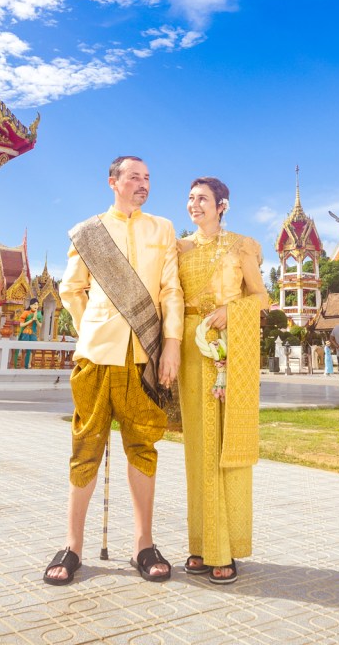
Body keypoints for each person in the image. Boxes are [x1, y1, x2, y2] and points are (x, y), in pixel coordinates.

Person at [45, 156, 184, 587]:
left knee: (143, 446)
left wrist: (173, 345)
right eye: (135, 177)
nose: (143, 184)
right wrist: (95, 324)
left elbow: (170, 290)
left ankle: (144, 544)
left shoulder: (161, 228)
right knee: (86, 445)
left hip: (145, 354)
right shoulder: (90, 232)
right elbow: (70, 289)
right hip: (96, 356)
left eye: (148, 177)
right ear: (113, 182)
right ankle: (72, 547)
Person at [177, 177, 267, 586]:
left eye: (203, 199)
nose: (195, 205)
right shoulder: (178, 249)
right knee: (197, 448)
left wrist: (233, 312)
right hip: (190, 350)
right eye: (191, 198)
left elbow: (262, 296)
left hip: (228, 351)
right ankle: (200, 542)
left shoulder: (241, 246)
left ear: (222, 205)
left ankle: (225, 547)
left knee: (224, 446)